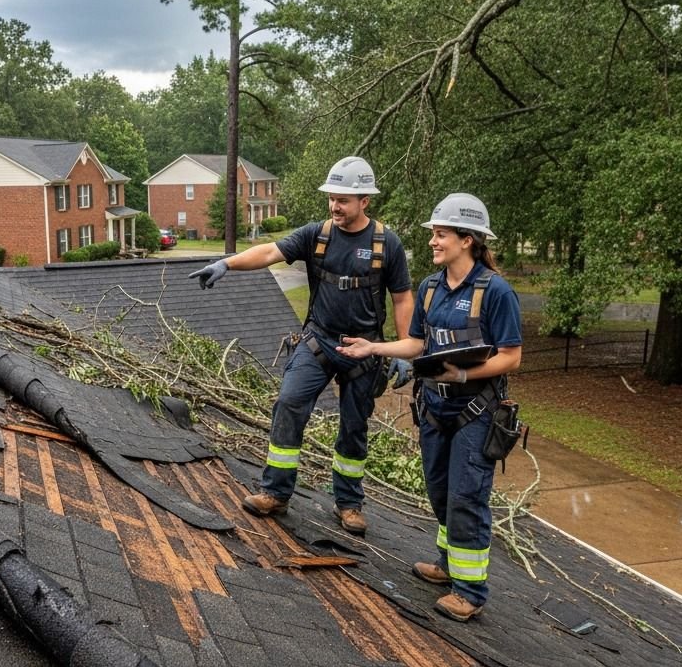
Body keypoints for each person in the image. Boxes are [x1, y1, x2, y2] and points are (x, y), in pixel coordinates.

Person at [189, 157, 414, 536]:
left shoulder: (385, 244)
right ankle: (275, 492)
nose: (334, 206)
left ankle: (349, 503)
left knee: (354, 427)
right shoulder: (317, 235)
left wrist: (404, 349)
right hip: (319, 341)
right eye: (331, 198)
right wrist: (227, 263)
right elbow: (269, 252)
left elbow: (403, 298)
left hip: (363, 350)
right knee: (290, 403)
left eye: (343, 200)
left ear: (364, 202)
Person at [337, 193, 522, 621]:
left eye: (441, 235)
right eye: (434, 234)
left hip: (476, 410)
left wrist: (460, 376)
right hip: (435, 409)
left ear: (467, 240)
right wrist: (376, 347)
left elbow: (511, 356)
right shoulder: (431, 287)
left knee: (466, 495)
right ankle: (447, 563)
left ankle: (470, 591)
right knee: (439, 491)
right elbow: (419, 342)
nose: (433, 242)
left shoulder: (495, 292)